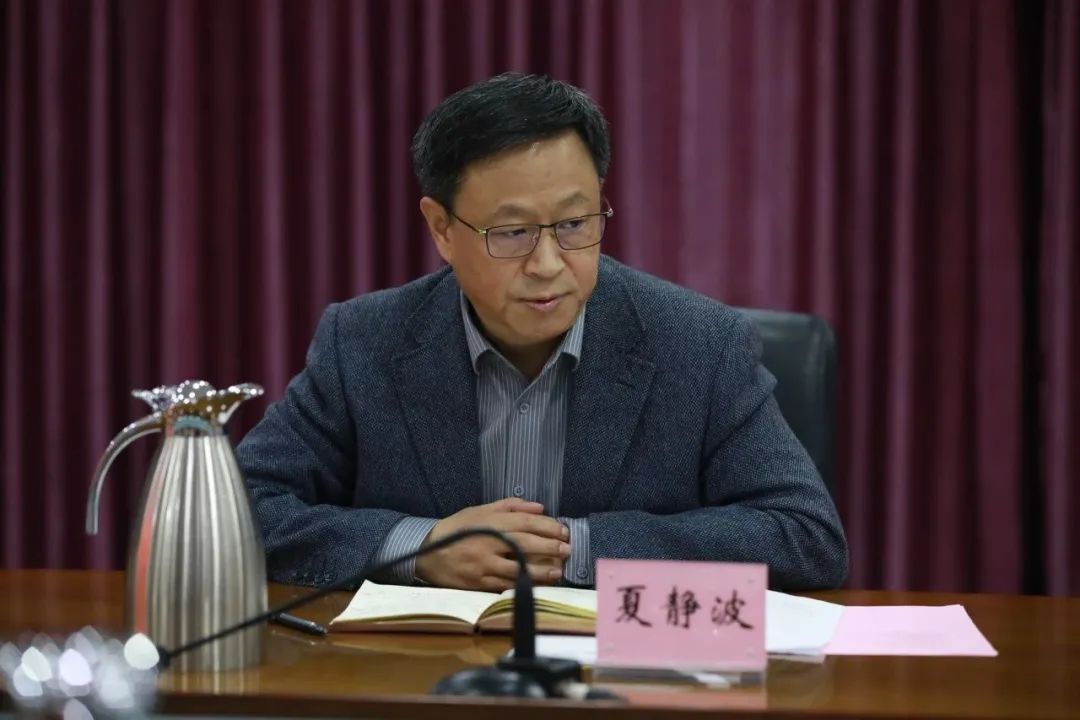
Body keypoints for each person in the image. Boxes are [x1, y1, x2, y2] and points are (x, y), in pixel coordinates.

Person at [236, 73, 848, 593]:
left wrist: (571, 549)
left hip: (621, 677)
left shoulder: (699, 345)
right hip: (422, 675)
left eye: (575, 223)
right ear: (441, 228)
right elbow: (242, 509)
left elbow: (805, 535)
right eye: (512, 233)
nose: (549, 264)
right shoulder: (364, 342)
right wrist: (419, 547)